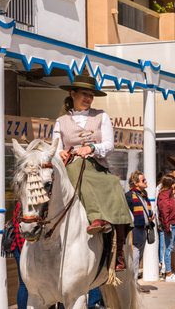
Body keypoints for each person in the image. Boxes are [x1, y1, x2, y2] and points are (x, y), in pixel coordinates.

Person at [52, 75, 133, 271]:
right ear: (73, 94)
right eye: (84, 94)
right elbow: (54, 147)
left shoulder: (101, 116)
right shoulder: (61, 121)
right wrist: (60, 152)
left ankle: (119, 249)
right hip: (71, 165)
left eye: (91, 95)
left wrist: (91, 149)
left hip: (96, 165)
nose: (88, 98)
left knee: (115, 185)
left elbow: (109, 144)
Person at [125, 171, 154, 280]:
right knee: (134, 258)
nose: (146, 182)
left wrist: (150, 218)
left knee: (138, 257)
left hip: (143, 230)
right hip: (135, 231)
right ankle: (133, 283)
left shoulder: (144, 195)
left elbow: (145, 211)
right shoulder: (129, 196)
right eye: (143, 180)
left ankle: (134, 282)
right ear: (136, 183)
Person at [157, 174, 175, 283]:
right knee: (168, 249)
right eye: (174, 182)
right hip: (170, 226)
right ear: (170, 184)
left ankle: (173, 270)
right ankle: (168, 273)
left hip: (174, 224)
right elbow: (164, 213)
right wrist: (167, 228)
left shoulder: (170, 195)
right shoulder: (164, 196)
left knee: (173, 248)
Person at [10, 201, 28, 309]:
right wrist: (24, 254)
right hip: (20, 248)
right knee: (24, 284)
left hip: (20, 247)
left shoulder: (22, 201)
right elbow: (19, 232)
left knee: (24, 284)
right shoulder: (22, 203)